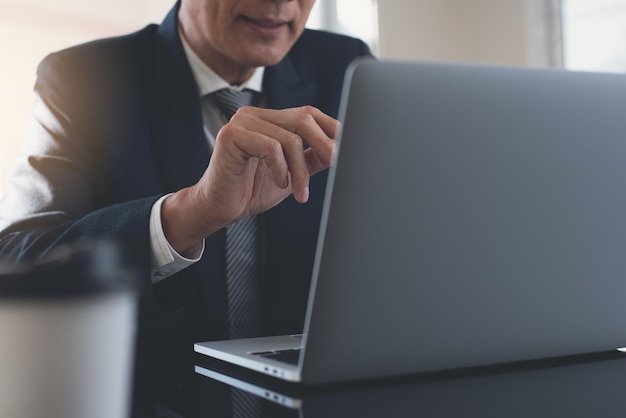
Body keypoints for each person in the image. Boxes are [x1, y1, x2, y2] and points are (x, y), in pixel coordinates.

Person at [0, 0, 372, 415]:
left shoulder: (348, 68)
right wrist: (187, 214)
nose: (281, 3)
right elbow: (18, 260)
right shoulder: (82, 79)